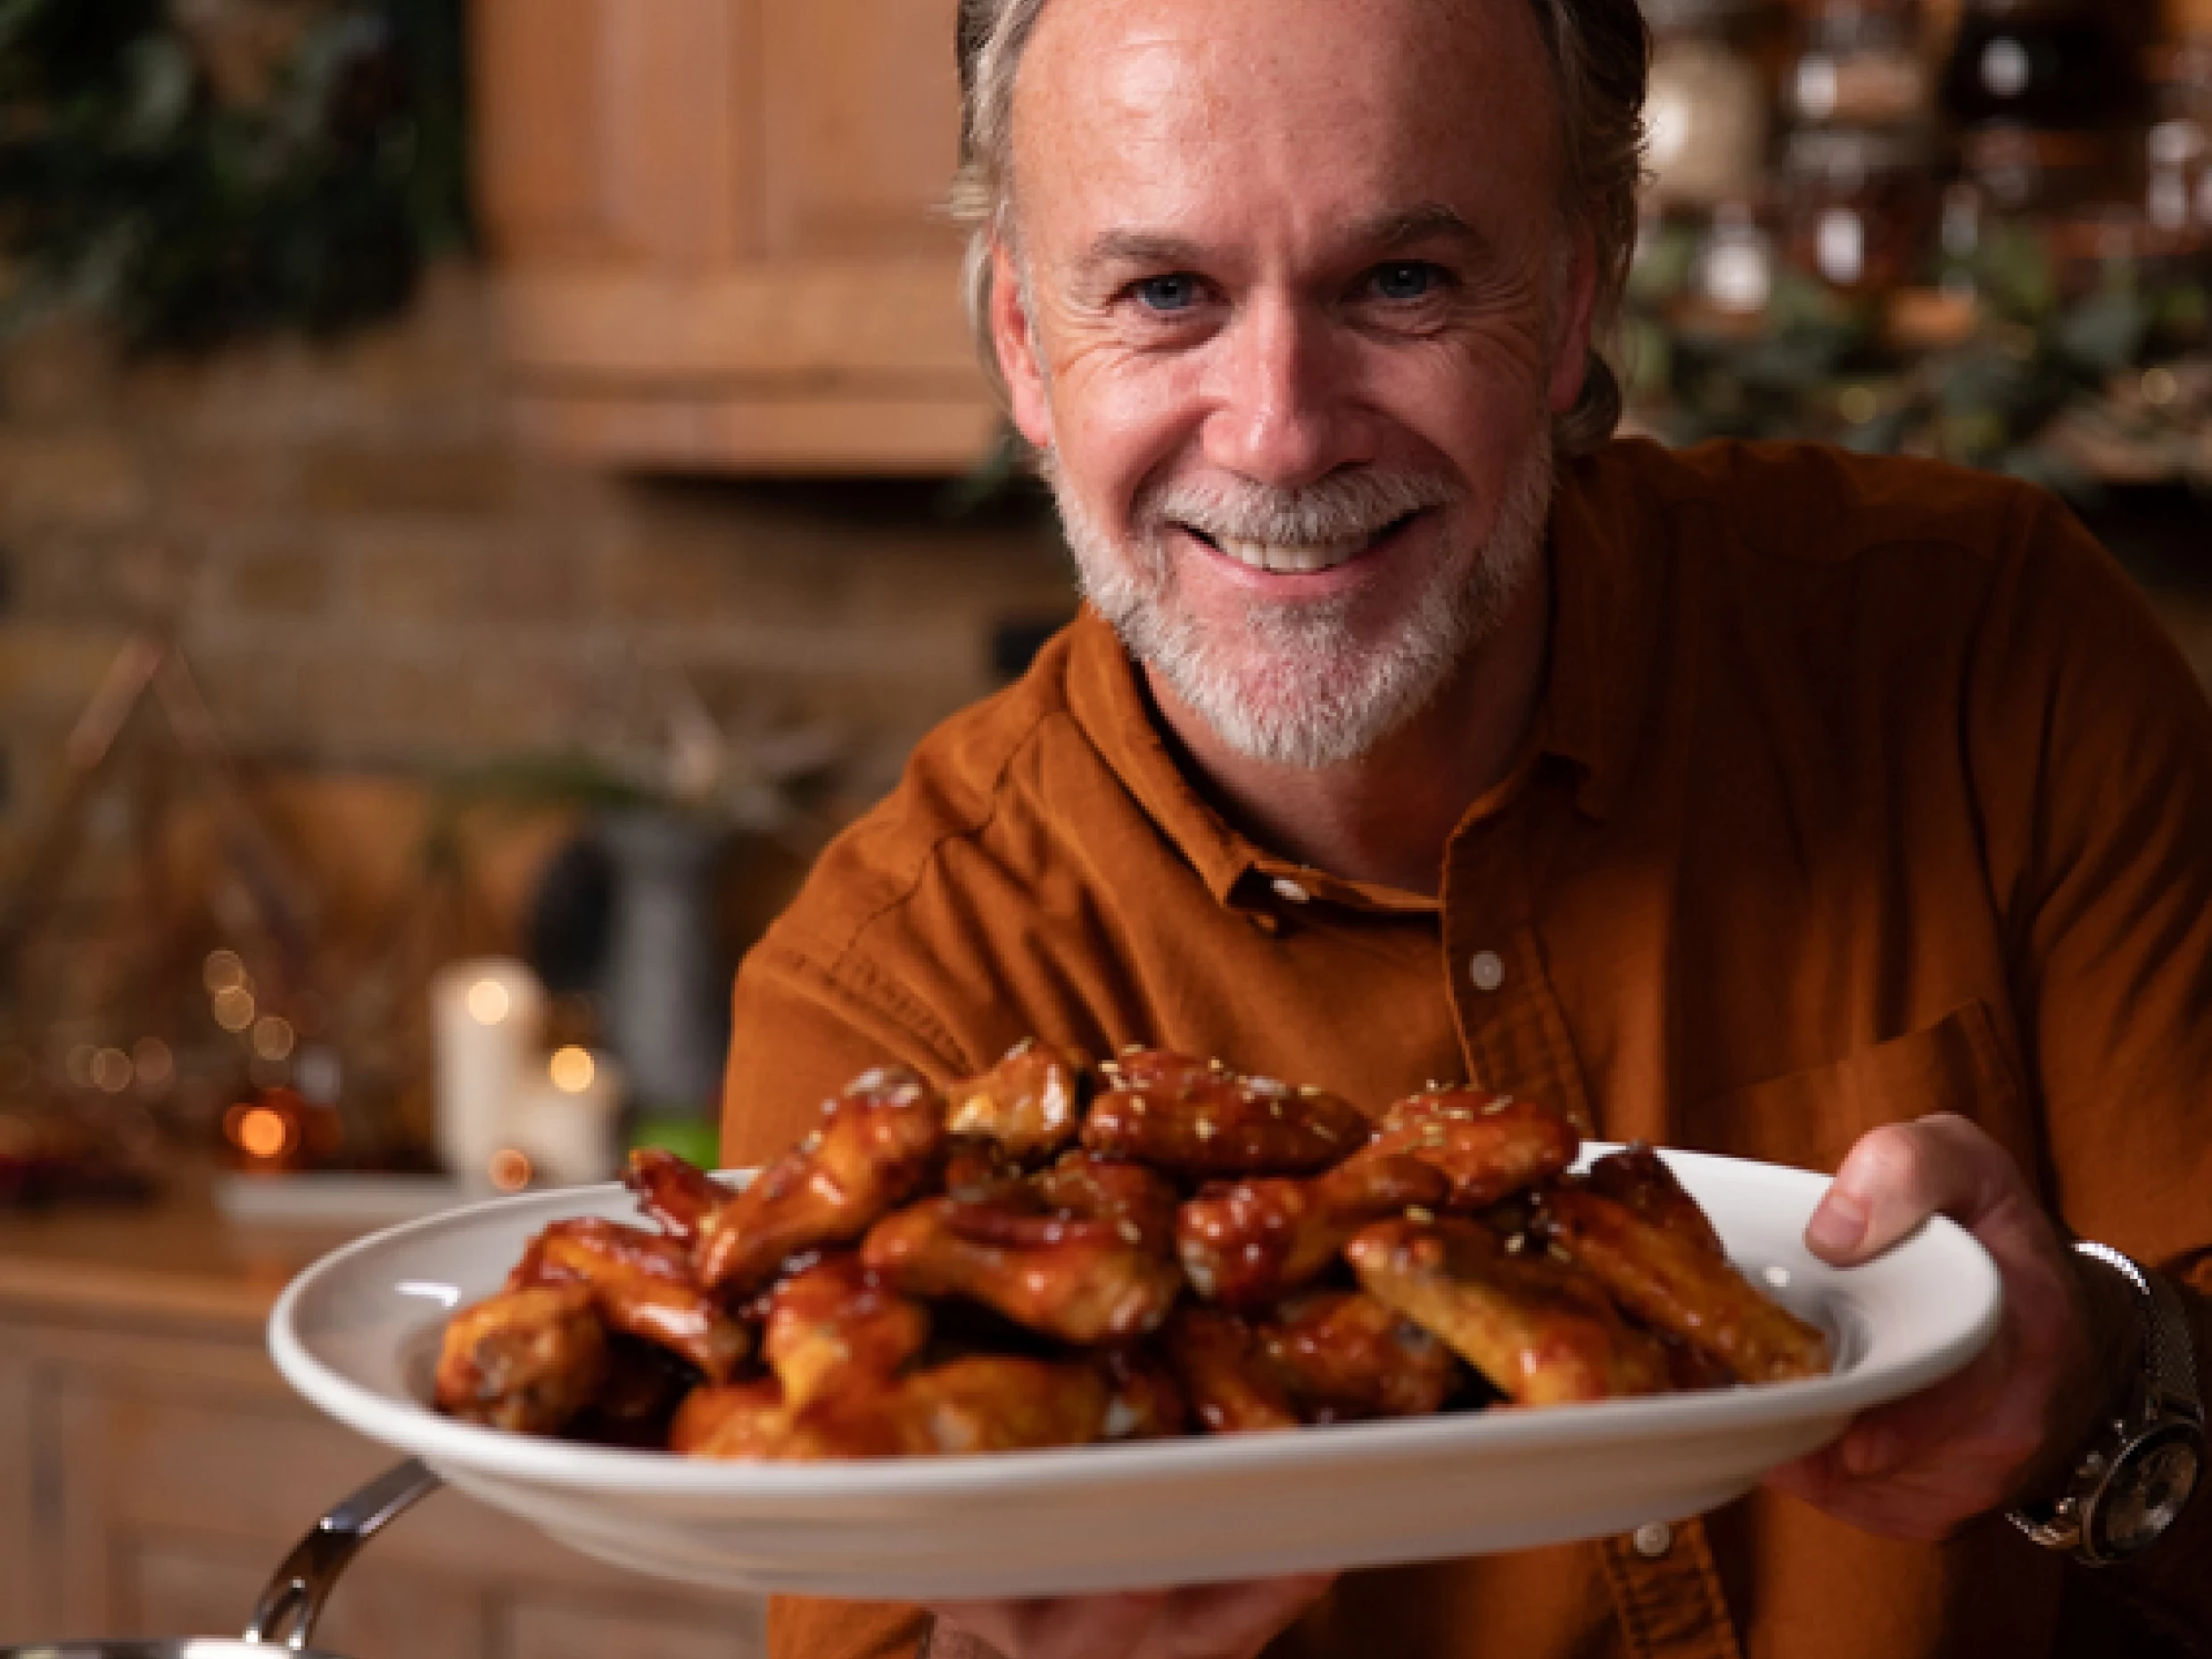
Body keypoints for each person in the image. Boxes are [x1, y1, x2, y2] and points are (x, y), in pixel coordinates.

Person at [718, 0, 2212, 1653]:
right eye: (1164, 294)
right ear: (1020, 340)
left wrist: (2099, 1393)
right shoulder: (890, 1001)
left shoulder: (1993, 662)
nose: (1280, 430)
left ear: (1575, 297)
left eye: (1404, 282)